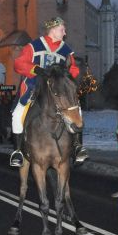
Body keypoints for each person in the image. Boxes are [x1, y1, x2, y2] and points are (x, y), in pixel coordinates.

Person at [9, 16, 88, 167]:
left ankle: (77, 147)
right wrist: (36, 69)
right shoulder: (33, 46)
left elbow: (73, 68)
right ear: (52, 30)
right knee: (18, 113)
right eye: (62, 30)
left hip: (58, 90)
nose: (64, 33)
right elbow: (19, 64)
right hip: (35, 86)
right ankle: (18, 150)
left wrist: (70, 75)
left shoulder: (66, 50)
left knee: (76, 110)